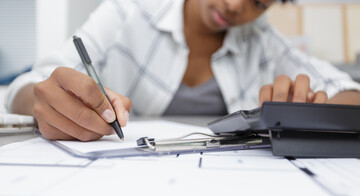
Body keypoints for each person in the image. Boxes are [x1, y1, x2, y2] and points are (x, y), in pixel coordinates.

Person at [6, 0, 360, 141]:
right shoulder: (127, 12)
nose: (234, 5)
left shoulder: (264, 41)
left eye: (256, 2)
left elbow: (349, 91)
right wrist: (44, 102)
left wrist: (317, 109)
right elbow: (31, 84)